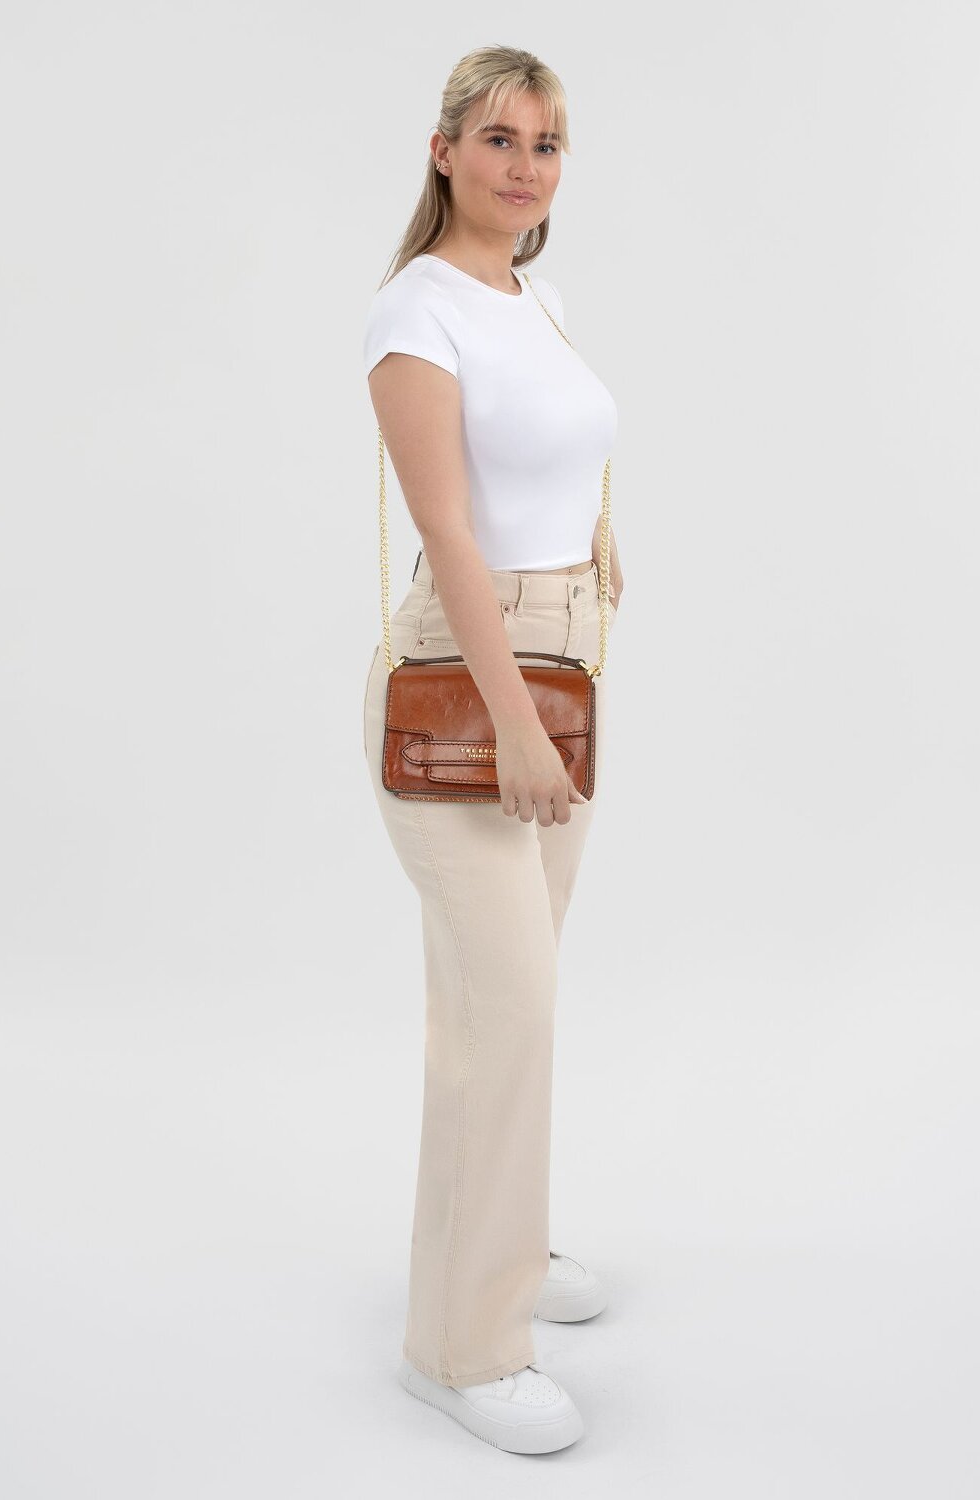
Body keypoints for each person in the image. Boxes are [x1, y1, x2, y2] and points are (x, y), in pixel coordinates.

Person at [359, 48, 624, 1455]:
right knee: (503, 1011)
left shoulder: (537, 297)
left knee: (506, 1003)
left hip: (561, 662)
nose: (526, 166)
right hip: (472, 683)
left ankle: (500, 1251)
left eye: (548, 143)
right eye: (500, 138)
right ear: (445, 150)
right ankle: (459, 1349)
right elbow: (447, 529)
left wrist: (602, 551)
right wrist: (514, 719)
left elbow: (559, 450)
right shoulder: (417, 309)